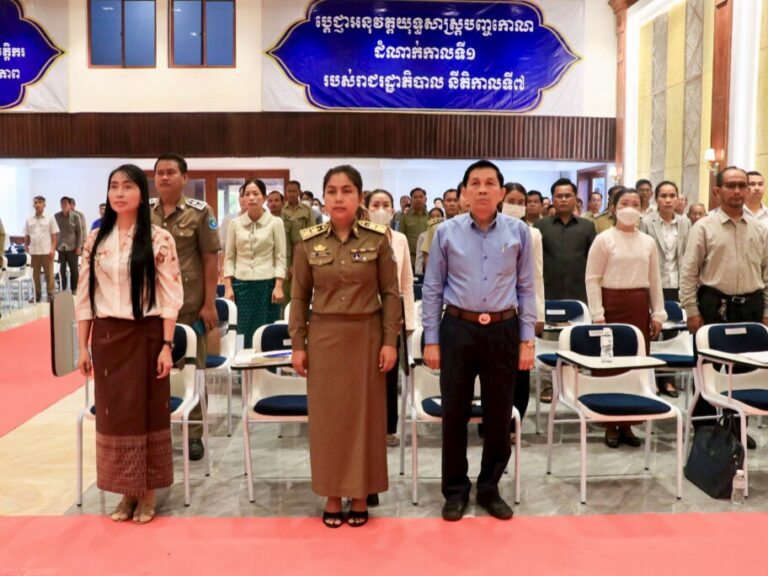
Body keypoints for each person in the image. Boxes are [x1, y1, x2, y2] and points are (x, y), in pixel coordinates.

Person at [422, 160, 536, 522]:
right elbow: (432, 288)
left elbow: (527, 288)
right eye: (475, 183)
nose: (482, 189)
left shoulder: (519, 232)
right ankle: (455, 490)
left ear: (501, 193)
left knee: (499, 415)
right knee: (454, 413)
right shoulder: (445, 233)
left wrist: (527, 341)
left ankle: (489, 488)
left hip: (503, 330)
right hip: (458, 328)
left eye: (490, 183)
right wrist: (431, 340)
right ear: (464, 193)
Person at [289, 165, 401, 528]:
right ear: (324, 197)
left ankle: (360, 494)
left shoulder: (377, 238)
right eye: (332, 191)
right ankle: (332, 494)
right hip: (324, 338)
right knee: (328, 421)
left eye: (347, 190)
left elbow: (391, 294)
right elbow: (298, 296)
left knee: (366, 418)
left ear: (360, 198)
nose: (339, 198)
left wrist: (390, 341)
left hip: (366, 336)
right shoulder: (308, 242)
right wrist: (298, 344)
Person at [75, 164, 183, 524]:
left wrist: (167, 345)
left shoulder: (159, 239)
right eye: (114, 187)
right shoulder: (95, 240)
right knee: (115, 417)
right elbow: (84, 296)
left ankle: (147, 493)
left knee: (147, 413)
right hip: (108, 338)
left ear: (141, 193)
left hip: (147, 335)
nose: (119, 193)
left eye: (127, 186)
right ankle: (126, 492)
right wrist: (83, 346)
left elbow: (170, 295)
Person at [679, 167, 768, 448]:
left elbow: (766, 272)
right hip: (714, 305)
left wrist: (766, 311)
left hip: (751, 305)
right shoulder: (704, 226)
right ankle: (704, 429)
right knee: (709, 370)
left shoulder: (759, 228)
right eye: (731, 185)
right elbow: (689, 272)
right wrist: (691, 310)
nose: (738, 190)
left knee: (744, 372)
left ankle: (735, 425)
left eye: (742, 185)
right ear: (718, 191)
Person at [150, 153, 221, 461]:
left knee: (195, 372)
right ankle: (157, 430)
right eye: (160, 173)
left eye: (171, 172)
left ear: (185, 178)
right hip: (153, 309)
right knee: (154, 374)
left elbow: (210, 258)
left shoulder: (200, 212)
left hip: (189, 307)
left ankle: (193, 433)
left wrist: (209, 303)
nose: (165, 177)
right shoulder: (144, 213)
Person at [585, 187, 667, 448]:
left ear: (642, 209)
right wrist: (597, 313)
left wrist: (658, 312)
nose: (630, 208)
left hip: (638, 305)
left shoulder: (648, 242)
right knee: (610, 364)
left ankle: (629, 422)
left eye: (635, 204)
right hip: (611, 305)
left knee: (635, 365)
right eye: (624, 203)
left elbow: (655, 280)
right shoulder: (604, 239)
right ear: (613, 208)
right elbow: (592, 279)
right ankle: (610, 422)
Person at [366, 189, 415, 451]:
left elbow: (406, 282)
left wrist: (408, 321)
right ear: (366, 209)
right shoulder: (359, 237)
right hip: (364, 314)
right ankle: (365, 426)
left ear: (393, 210)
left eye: (386, 204)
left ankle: (387, 428)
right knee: (364, 373)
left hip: (392, 316)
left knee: (388, 373)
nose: (381, 209)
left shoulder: (400, 239)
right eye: (376, 205)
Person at [501, 183, 545, 439]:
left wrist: (538, 313)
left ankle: (514, 422)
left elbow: (537, 276)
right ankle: (490, 420)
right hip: (497, 308)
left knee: (520, 367)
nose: (516, 206)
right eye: (511, 200)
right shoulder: (490, 229)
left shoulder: (533, 234)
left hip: (523, 308)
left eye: (521, 202)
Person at [639, 181, 691, 397]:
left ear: (678, 198)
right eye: (664, 196)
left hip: (677, 283)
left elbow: (687, 253)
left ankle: (668, 380)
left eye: (672, 196)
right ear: (656, 198)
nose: (668, 200)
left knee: (672, 333)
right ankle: (651, 378)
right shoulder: (646, 221)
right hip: (654, 283)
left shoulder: (685, 222)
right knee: (654, 330)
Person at [223, 179, 286, 348]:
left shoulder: (275, 223)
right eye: (247, 194)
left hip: (267, 286)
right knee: (243, 333)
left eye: (255, 193)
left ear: (264, 198)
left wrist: (278, 285)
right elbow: (229, 257)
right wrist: (228, 286)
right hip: (241, 286)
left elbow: (280, 257)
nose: (251, 198)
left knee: (265, 335)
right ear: (242, 198)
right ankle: (243, 365)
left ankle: (266, 366)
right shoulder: (234, 224)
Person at [534, 178, 596, 303]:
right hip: (548, 293)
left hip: (580, 293)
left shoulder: (587, 226)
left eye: (567, 196)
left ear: (575, 199)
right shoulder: (540, 226)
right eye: (559, 196)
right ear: (552, 199)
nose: (563, 199)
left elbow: (594, 260)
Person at [24, 196, 59, 303]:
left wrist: (53, 249)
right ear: (33, 205)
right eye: (35, 203)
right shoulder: (29, 219)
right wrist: (26, 246)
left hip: (46, 252)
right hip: (34, 252)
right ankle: (36, 295)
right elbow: (26, 235)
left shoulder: (50, 218)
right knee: (35, 276)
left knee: (49, 275)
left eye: (40, 202)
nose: (37, 204)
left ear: (44, 205)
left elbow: (54, 236)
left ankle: (51, 294)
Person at [421, 188, 460, 271]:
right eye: (449, 200)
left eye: (455, 200)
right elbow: (427, 253)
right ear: (443, 204)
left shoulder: (468, 225)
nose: (452, 204)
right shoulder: (434, 226)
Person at [54, 196, 83, 294]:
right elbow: (54, 232)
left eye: (65, 203)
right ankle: (62, 288)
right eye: (62, 203)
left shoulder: (75, 217)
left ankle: (74, 288)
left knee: (74, 270)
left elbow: (79, 232)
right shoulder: (56, 216)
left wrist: (78, 247)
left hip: (72, 247)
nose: (63, 205)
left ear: (70, 205)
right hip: (60, 248)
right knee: (61, 270)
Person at [399, 187, 429, 267]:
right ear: (411, 200)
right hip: (410, 259)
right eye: (415, 197)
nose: (418, 199)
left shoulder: (431, 216)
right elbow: (401, 238)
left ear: (425, 199)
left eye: (421, 197)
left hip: (427, 258)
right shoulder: (404, 217)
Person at [415, 207, 443, 274]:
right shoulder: (422, 236)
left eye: (438, 216)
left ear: (442, 218)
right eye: (432, 216)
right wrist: (419, 274)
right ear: (429, 219)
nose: (435, 219)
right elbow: (419, 257)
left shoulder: (446, 233)